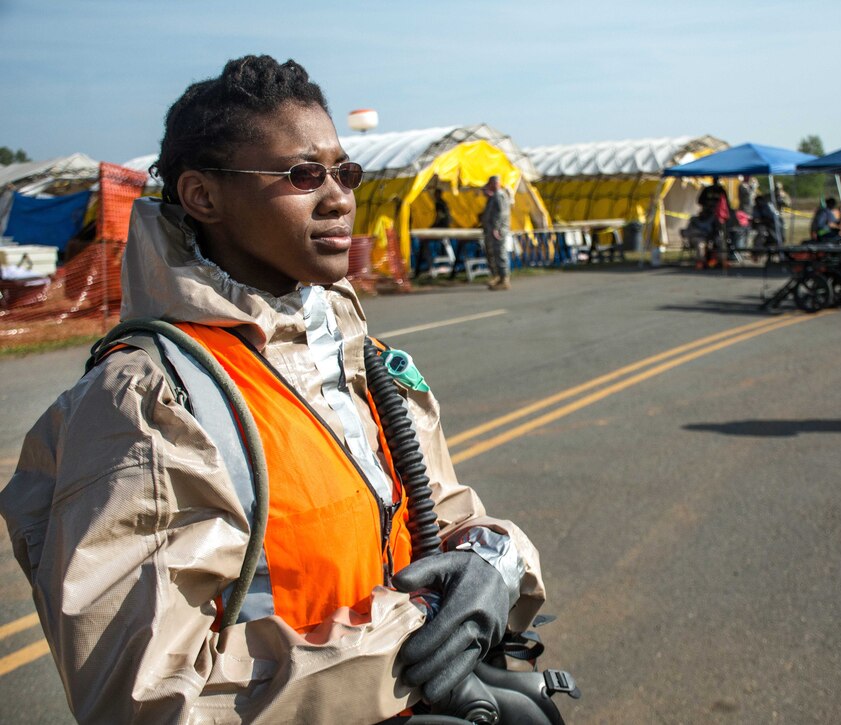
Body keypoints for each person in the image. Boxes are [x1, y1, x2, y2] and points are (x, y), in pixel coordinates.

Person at [0, 56, 544, 723]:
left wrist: (496, 557)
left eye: (345, 172)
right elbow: (146, 699)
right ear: (203, 197)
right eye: (303, 174)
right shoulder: (147, 405)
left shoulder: (361, 361)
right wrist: (411, 643)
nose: (339, 196)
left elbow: (444, 515)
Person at [481, 175, 512, 290]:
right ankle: (498, 276)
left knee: (500, 253)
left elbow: (501, 213)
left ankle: (504, 279)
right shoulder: (494, 196)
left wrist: (496, 228)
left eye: (490, 184)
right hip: (493, 229)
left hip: (498, 230)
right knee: (494, 253)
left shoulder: (500, 195)